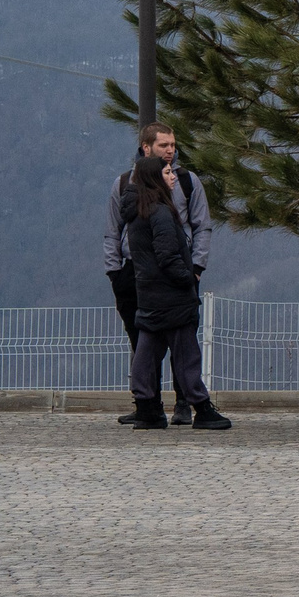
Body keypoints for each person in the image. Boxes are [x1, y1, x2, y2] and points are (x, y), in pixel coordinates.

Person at [104, 122, 212, 426]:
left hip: (175, 272)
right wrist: (114, 272)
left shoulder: (187, 182)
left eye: (173, 145)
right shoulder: (123, 184)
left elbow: (202, 226)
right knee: (142, 341)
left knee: (181, 338)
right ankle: (147, 404)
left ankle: (183, 403)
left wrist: (196, 268)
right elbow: (113, 231)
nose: (170, 151)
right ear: (146, 147)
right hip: (132, 273)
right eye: (164, 145)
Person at [123, 155, 230, 430]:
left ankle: (146, 407)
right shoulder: (159, 212)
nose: (173, 177)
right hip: (171, 296)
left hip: (149, 295)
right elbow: (168, 255)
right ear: (156, 178)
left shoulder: (137, 212)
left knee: (146, 352)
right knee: (186, 353)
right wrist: (187, 278)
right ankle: (202, 408)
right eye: (168, 172)